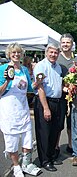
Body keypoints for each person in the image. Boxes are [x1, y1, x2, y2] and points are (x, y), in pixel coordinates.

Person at [0, 43, 41, 177]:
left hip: (23, 110)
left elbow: (29, 88)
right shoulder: (3, 69)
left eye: (18, 53)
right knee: (11, 141)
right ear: (9, 54)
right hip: (9, 110)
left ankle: (26, 164)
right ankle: (16, 166)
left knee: (27, 138)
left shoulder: (24, 70)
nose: (16, 55)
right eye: (14, 53)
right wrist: (7, 80)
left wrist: (38, 82)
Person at [33, 43, 63, 172]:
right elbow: (40, 88)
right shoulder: (41, 66)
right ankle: (44, 160)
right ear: (46, 53)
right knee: (44, 133)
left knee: (54, 132)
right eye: (51, 52)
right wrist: (45, 108)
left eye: (56, 53)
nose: (53, 55)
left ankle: (51, 156)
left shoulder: (58, 68)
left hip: (57, 102)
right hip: (44, 101)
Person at [55, 33, 77, 157]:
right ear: (60, 44)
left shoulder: (76, 61)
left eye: (68, 42)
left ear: (72, 44)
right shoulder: (56, 59)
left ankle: (70, 145)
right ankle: (56, 146)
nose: (65, 45)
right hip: (59, 97)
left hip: (73, 97)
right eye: (63, 42)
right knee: (59, 124)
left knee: (71, 123)